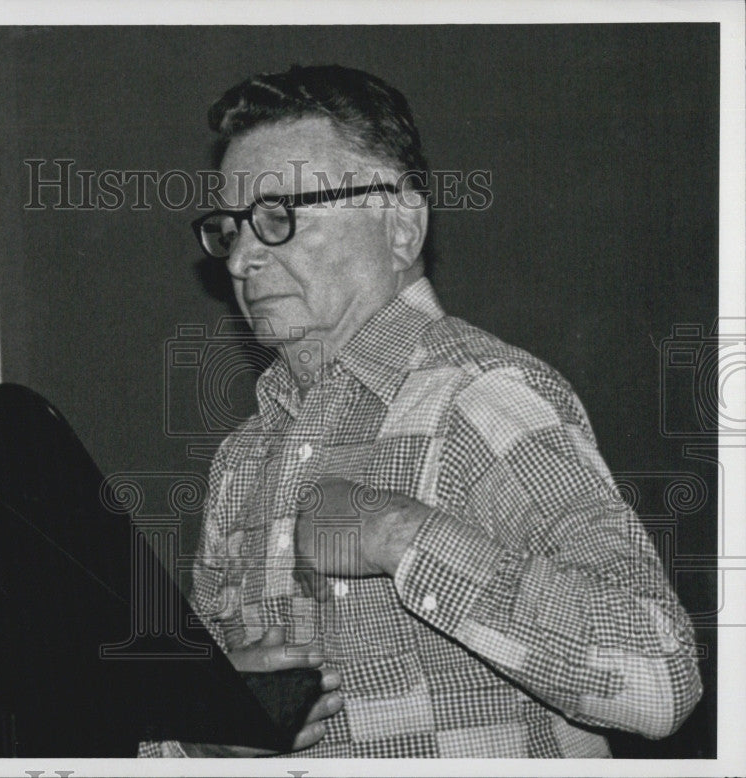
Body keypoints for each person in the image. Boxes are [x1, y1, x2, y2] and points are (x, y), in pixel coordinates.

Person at [140, 64, 702, 758]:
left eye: (280, 217)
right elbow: (177, 731)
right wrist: (213, 733)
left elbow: (661, 677)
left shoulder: (484, 399)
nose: (243, 257)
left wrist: (398, 533)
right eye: (230, 228)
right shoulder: (244, 456)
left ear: (401, 225)